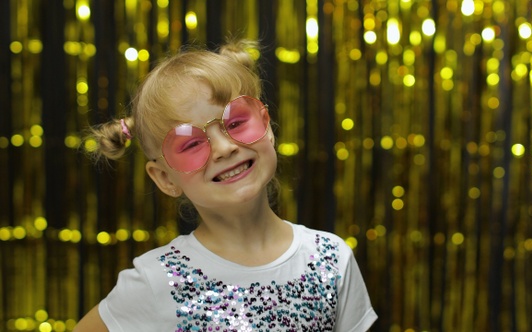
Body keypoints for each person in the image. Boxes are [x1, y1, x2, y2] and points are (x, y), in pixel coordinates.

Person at [74, 39, 377, 332]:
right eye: (191, 143)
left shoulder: (330, 258)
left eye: (235, 123)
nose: (224, 148)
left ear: (267, 125)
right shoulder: (157, 280)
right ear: (165, 178)